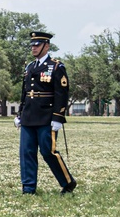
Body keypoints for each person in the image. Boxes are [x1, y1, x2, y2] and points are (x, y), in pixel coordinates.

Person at [15, 31, 76, 195]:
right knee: (26, 153)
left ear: (46, 46)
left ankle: (68, 183)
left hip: (46, 117)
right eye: (32, 45)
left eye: (37, 45)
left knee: (48, 152)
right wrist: (19, 114)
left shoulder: (56, 66)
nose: (33, 48)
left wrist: (58, 117)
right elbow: (25, 93)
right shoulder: (29, 67)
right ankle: (28, 188)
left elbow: (61, 93)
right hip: (29, 117)